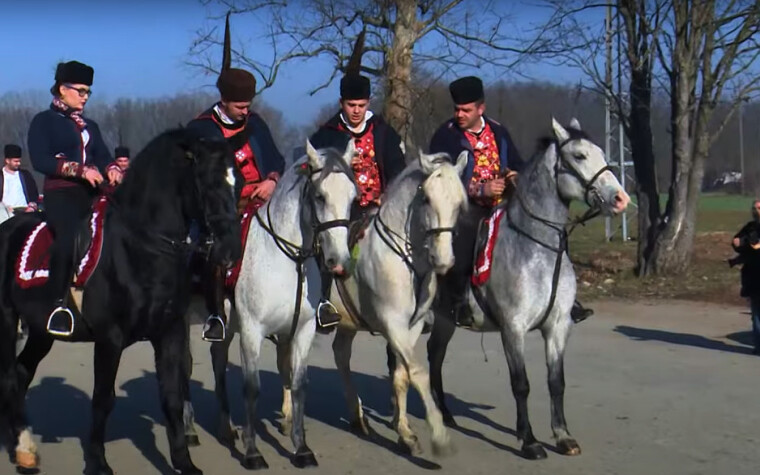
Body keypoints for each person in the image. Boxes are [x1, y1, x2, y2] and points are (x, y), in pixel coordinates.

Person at [429, 75, 593, 327]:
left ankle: (566, 299)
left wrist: (516, 175)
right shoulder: (445, 136)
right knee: (463, 237)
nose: (459, 114)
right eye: (457, 109)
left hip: (504, 204)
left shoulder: (498, 131)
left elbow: (517, 163)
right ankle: (458, 301)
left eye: (466, 110)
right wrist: (479, 189)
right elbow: (439, 178)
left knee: (551, 230)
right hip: (466, 207)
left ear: (481, 108)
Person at [187, 13, 285, 342]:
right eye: (240, 106)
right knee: (217, 246)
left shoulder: (255, 123)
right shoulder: (201, 128)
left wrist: (272, 180)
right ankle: (216, 314)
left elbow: (275, 159)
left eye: (248, 104)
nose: (246, 111)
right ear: (224, 101)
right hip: (223, 207)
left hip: (264, 200)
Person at [308, 29, 406, 332]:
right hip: (341, 211)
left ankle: (412, 301)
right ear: (342, 103)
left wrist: (387, 195)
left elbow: (398, 170)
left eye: (361, 105)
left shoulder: (383, 132)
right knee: (324, 243)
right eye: (351, 105)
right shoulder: (326, 134)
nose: (356, 111)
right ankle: (324, 302)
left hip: (378, 207)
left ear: (368, 102)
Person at [27, 60, 122, 335]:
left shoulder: (90, 125)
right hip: (61, 193)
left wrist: (112, 169)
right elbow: (41, 160)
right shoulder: (43, 121)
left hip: (94, 192)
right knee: (68, 238)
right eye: (80, 91)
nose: (85, 97)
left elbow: (102, 155)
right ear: (61, 89)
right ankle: (58, 305)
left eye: (88, 92)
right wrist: (80, 170)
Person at [730, 200, 760, 355]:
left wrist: (746, 243)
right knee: (756, 313)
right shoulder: (750, 227)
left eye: (759, 208)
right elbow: (739, 243)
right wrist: (737, 243)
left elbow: (754, 246)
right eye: (754, 208)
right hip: (753, 276)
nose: (756, 211)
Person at [0, 144, 39, 213]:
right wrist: (4, 208)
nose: (18, 163)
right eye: (15, 161)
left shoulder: (26, 175)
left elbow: (34, 194)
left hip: (25, 211)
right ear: (7, 161)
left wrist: (32, 206)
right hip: (6, 212)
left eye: (19, 161)